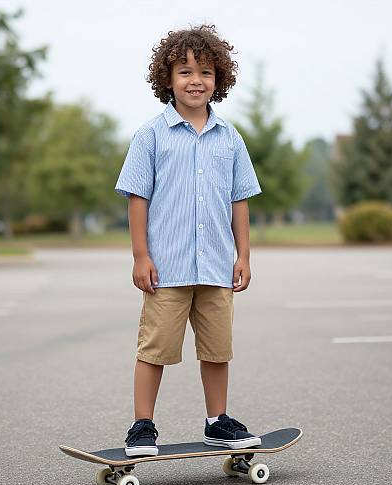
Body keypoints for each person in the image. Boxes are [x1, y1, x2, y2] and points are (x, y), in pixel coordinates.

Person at [115, 24, 262, 456]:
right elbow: (137, 199)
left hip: (217, 264)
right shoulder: (150, 136)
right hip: (168, 266)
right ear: (167, 79)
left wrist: (244, 255)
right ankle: (143, 426)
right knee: (155, 348)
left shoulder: (230, 138)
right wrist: (140, 256)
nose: (195, 80)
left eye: (206, 72)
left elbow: (240, 200)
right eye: (184, 71)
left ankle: (217, 421)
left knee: (218, 349)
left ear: (220, 80)